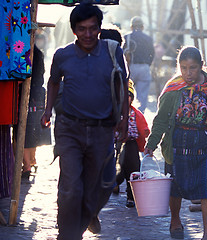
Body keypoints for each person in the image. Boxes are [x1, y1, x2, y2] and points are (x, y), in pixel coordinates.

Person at [40, 3, 128, 239]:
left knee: (102, 185)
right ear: (74, 30)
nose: (88, 34)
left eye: (92, 28)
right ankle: (69, 234)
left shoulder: (113, 51)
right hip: (70, 128)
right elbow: (54, 82)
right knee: (71, 188)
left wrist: (124, 120)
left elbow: (121, 86)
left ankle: (85, 218)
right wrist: (48, 111)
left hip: (102, 130)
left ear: (100, 28)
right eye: (82, 29)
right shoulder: (63, 55)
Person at [144, 46, 207, 240]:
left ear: (201, 66)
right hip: (178, 145)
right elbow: (161, 119)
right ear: (179, 67)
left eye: (193, 68)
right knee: (175, 186)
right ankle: (175, 220)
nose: (188, 73)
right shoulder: (173, 89)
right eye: (184, 68)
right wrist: (151, 143)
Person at [113, 79, 150, 208]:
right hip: (118, 143)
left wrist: (145, 131)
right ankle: (115, 182)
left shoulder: (135, 113)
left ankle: (131, 196)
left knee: (133, 169)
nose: (125, 99)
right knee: (119, 168)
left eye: (128, 96)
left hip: (131, 143)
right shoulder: (115, 112)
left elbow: (143, 125)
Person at [19, 45, 52, 179]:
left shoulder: (25, 51)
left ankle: (27, 165)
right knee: (33, 129)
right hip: (37, 94)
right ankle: (31, 160)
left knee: (25, 130)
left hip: (29, 94)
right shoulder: (38, 53)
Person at [123, 16, 155, 113]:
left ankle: (127, 117)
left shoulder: (126, 37)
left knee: (126, 94)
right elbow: (152, 54)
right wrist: (147, 65)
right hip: (144, 67)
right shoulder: (148, 39)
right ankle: (139, 119)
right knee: (142, 97)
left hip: (129, 67)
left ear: (131, 27)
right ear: (142, 27)